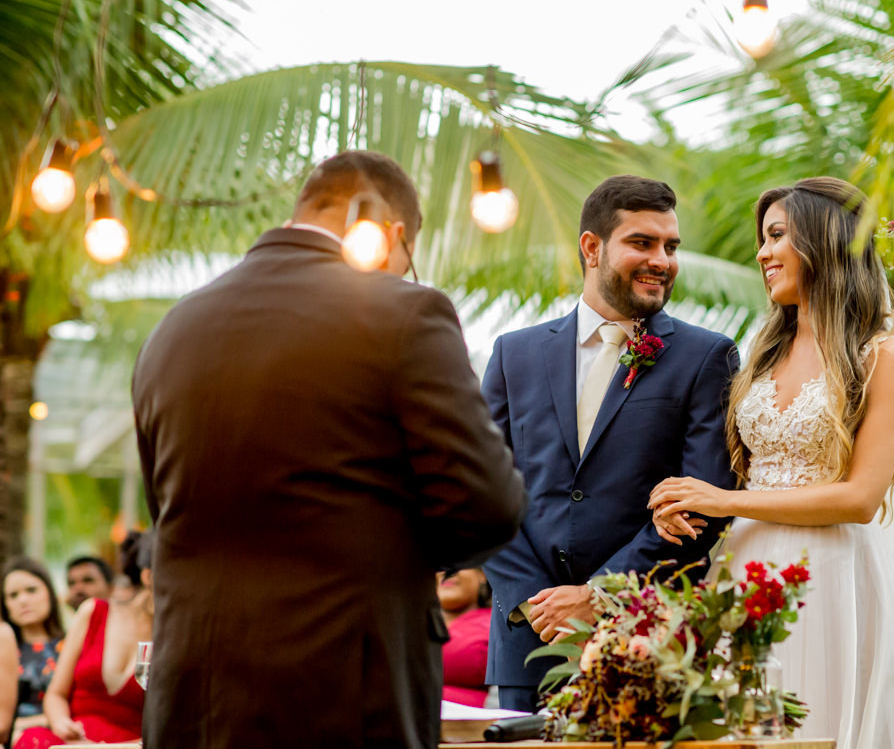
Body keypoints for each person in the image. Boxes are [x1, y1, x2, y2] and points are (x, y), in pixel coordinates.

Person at [132, 150, 525, 749]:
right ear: (391, 233)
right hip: (344, 690)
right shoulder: (403, 313)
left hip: (192, 693)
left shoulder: (172, 330)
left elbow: (167, 505)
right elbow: (486, 506)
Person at [648, 177, 894, 748]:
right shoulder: (762, 352)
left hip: (833, 580)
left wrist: (726, 501)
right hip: (744, 574)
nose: (762, 253)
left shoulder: (884, 354)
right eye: (762, 239)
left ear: (825, 239)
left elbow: (862, 499)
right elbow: (738, 473)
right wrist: (685, 505)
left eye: (777, 235)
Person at [482, 175, 739, 712]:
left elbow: (704, 505)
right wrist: (539, 605)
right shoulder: (514, 354)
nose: (662, 260)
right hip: (528, 639)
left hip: (647, 641)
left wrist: (599, 597)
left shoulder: (705, 357)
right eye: (642, 243)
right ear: (592, 247)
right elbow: (482, 494)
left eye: (670, 247)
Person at [13, 533, 152, 749]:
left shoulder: (175, 636)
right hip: (73, 741)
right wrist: (61, 723)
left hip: (130, 745)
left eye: (88, 580)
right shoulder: (93, 612)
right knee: (34, 739)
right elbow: (56, 695)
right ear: (148, 576)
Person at [1, 558, 66, 743]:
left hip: (66, 737)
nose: (23, 600)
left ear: (50, 593)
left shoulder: (73, 645)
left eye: (31, 590)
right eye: (13, 595)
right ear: (5, 604)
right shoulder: (4, 650)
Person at [437, 569, 492, 707]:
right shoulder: (406, 626)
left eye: (460, 563)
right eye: (440, 564)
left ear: (482, 575)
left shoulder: (499, 626)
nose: (448, 571)